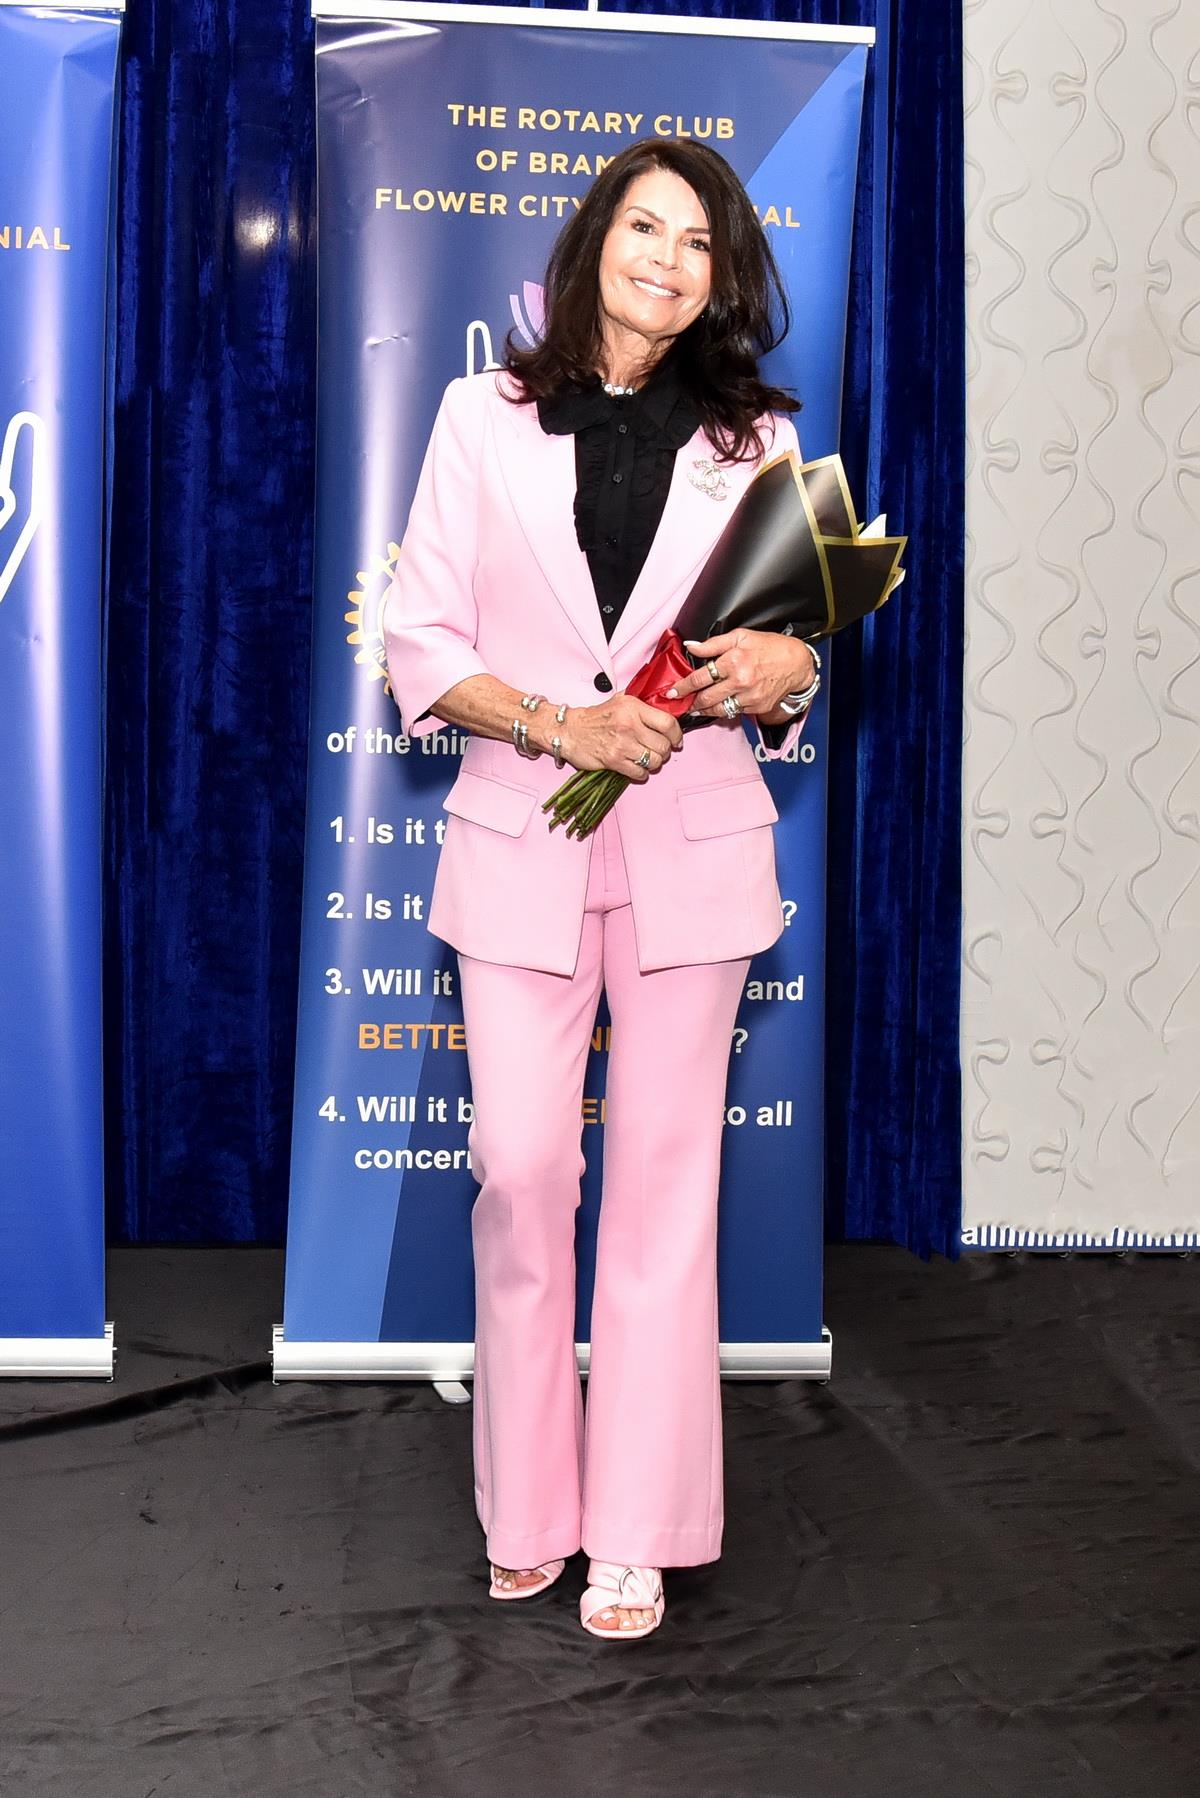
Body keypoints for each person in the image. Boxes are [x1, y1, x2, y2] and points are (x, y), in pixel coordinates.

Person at [383, 138, 821, 1641]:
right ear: (593, 242)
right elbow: (422, 643)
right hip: (524, 834)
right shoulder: (479, 417)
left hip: (694, 844)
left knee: (662, 1185)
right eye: (647, 226)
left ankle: (635, 1526)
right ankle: (530, 1505)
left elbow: (785, 654)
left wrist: (787, 668)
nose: (669, 260)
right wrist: (561, 726)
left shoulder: (757, 442)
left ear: (722, 279)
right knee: (521, 1169)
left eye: (701, 243)